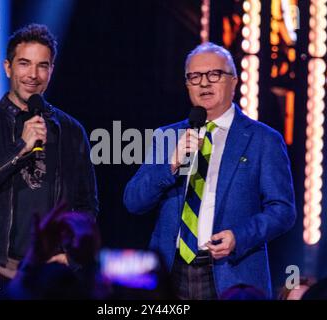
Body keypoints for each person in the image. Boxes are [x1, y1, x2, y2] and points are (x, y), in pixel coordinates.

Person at [123, 42, 296, 299]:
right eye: (194, 77)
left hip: (232, 273)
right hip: (171, 274)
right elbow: (133, 201)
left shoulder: (263, 139)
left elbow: (283, 210)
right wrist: (171, 165)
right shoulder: (168, 136)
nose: (204, 83)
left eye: (214, 74)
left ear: (234, 81)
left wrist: (239, 237)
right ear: (187, 85)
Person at [0, 24, 98, 297]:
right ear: (8, 67)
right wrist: (21, 148)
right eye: (24, 64)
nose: (33, 75)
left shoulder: (70, 130)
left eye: (42, 66)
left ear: (51, 71)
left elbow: (87, 204)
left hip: (49, 266)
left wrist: (70, 254)